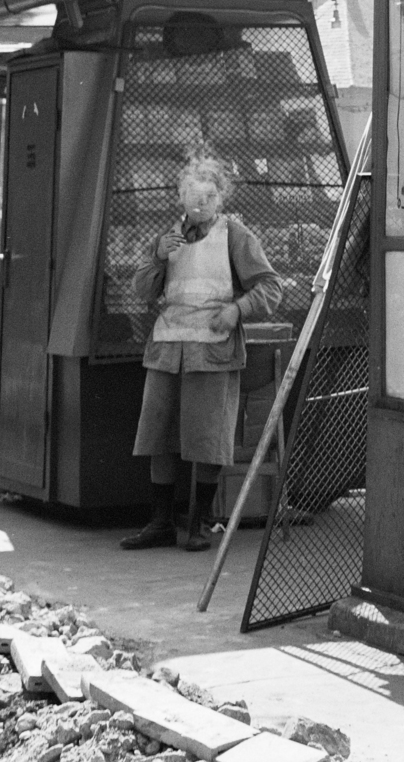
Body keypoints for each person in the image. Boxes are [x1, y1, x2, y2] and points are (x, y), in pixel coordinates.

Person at [121, 153, 287, 551]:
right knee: (158, 436)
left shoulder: (236, 236)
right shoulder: (167, 239)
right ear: (181, 198)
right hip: (167, 351)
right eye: (193, 197)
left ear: (220, 199)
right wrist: (158, 257)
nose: (200, 205)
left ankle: (197, 525)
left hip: (211, 352)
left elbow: (271, 286)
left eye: (209, 197)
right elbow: (143, 289)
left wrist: (237, 310)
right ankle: (161, 524)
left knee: (206, 440)